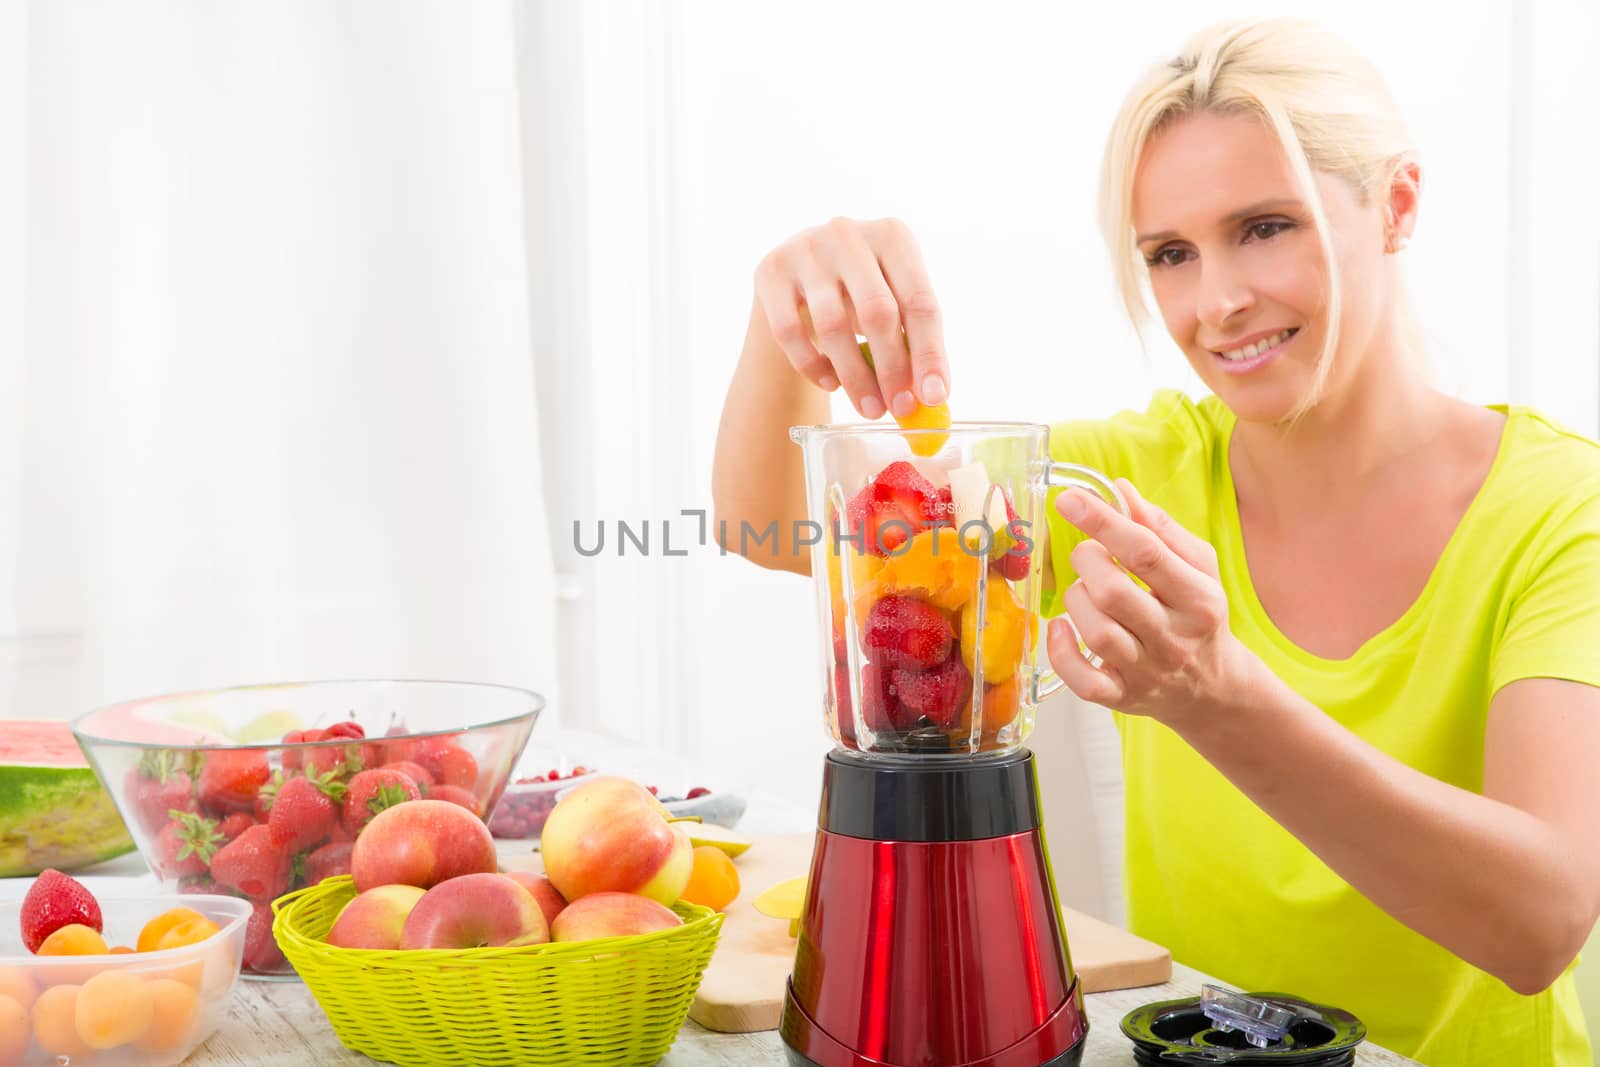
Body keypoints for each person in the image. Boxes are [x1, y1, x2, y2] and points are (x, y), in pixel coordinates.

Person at [710, 17, 1600, 1065]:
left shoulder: (1560, 509)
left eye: (1266, 225)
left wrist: (1216, 696)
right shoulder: (1129, 481)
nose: (1215, 302)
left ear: (1396, 206)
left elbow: (1538, 923)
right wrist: (791, 322)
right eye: (1169, 254)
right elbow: (766, 528)